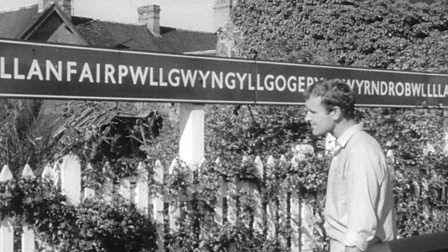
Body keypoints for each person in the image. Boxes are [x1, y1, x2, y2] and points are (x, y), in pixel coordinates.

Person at [304, 79, 396, 252]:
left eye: (313, 112)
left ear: (335, 112)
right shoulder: (349, 147)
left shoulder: (360, 151)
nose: (307, 117)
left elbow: (361, 227)